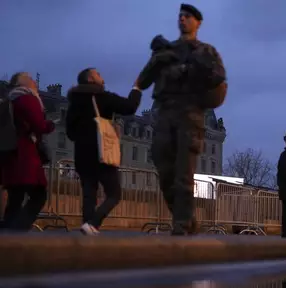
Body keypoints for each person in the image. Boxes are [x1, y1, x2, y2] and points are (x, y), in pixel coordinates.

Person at [136, 3, 227, 235]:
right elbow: (145, 80)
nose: (183, 20)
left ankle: (181, 226)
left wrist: (189, 69)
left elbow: (218, 78)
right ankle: (186, 219)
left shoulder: (205, 51)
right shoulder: (167, 50)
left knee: (184, 173)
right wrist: (157, 59)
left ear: (198, 22)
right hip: (165, 114)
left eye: (188, 17)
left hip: (190, 115)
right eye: (180, 16)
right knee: (164, 170)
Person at [66, 68, 142, 235]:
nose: (102, 78)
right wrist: (136, 88)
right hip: (102, 153)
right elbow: (129, 107)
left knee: (89, 194)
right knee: (114, 194)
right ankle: (94, 223)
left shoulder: (74, 102)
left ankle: (87, 225)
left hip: (82, 155)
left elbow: (70, 133)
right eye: (99, 74)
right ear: (91, 78)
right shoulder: (102, 97)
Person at [0, 72, 56, 231]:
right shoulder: (27, 99)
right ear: (21, 83)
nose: (33, 80)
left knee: (15, 198)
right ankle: (18, 230)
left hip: (11, 156)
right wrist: (49, 125)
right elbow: (39, 125)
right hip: (25, 157)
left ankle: (7, 235)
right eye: (29, 78)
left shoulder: (10, 100)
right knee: (39, 196)